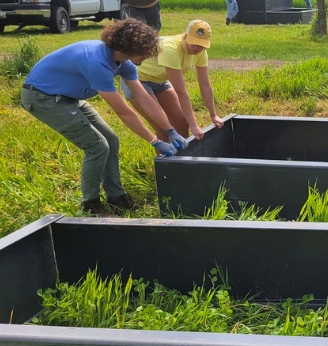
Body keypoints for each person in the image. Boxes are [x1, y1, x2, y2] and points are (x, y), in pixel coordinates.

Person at [20, 19, 186, 217]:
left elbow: (144, 98)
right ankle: (90, 205)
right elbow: (124, 111)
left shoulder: (124, 62)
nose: (149, 55)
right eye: (145, 51)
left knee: (111, 141)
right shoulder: (97, 62)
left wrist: (170, 130)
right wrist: (155, 141)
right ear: (130, 47)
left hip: (68, 96)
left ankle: (116, 196)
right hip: (43, 97)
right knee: (97, 147)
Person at [125, 20, 225, 143]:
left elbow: (204, 84)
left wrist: (213, 115)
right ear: (186, 36)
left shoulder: (201, 52)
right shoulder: (170, 48)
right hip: (137, 80)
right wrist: (194, 124)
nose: (196, 47)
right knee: (163, 127)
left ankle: (183, 159)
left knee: (182, 122)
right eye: (193, 43)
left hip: (159, 81)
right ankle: (166, 160)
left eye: (201, 44)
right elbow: (180, 91)